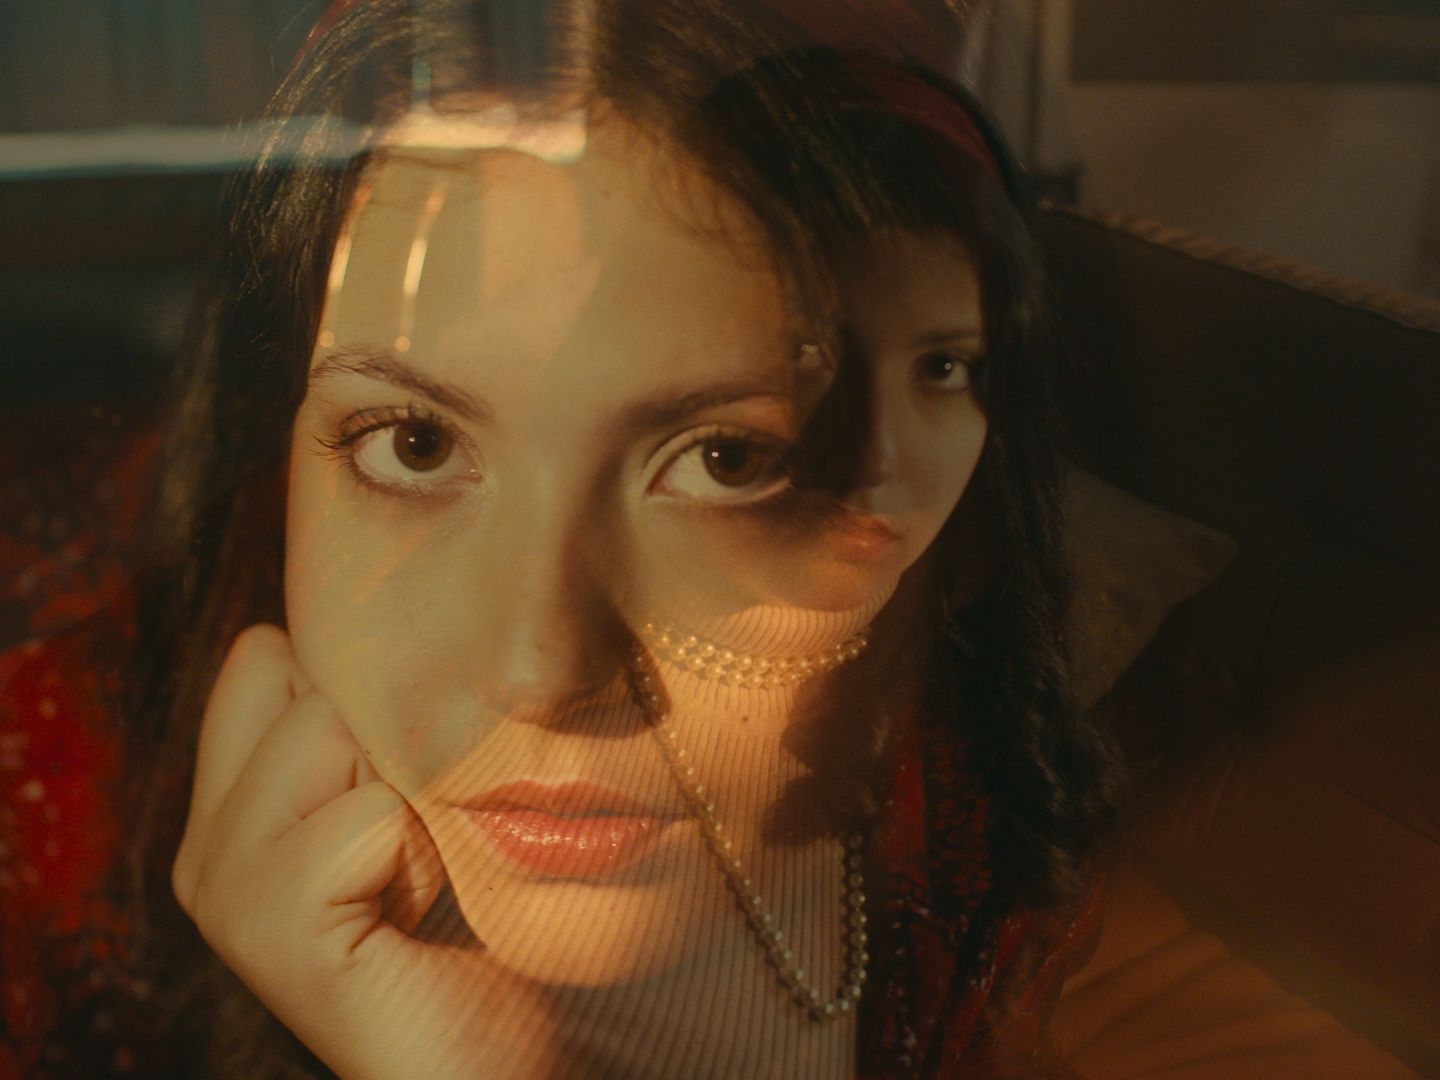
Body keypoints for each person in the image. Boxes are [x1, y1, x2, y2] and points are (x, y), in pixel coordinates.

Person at [101, 1, 1123, 1076]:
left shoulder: (1035, 877)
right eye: (415, 444)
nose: (539, 671)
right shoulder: (40, 855)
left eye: (729, 461)